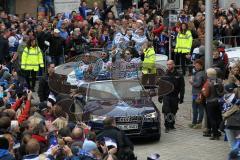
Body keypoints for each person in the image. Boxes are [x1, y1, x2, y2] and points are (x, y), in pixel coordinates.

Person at [160, 60, 185, 133]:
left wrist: (181, 97)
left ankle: (171, 125)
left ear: (173, 65)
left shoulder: (179, 75)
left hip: (175, 96)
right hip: (166, 96)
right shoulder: (164, 74)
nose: (168, 66)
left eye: (170, 64)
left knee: (174, 111)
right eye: (167, 64)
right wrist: (160, 96)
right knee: (167, 111)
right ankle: (167, 126)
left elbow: (182, 87)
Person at [202, 68, 224, 140]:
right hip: (218, 102)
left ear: (208, 75)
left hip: (210, 102)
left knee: (212, 119)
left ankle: (215, 134)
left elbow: (206, 95)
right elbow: (222, 92)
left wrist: (203, 91)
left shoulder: (208, 82)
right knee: (218, 117)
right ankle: (219, 131)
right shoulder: (220, 81)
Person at [188, 59, 206, 129]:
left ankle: (199, 123)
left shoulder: (201, 73)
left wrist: (191, 82)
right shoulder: (196, 72)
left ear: (201, 66)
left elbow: (198, 84)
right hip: (195, 94)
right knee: (195, 109)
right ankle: (194, 122)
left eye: (198, 65)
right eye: (195, 65)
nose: (196, 66)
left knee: (200, 109)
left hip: (199, 94)